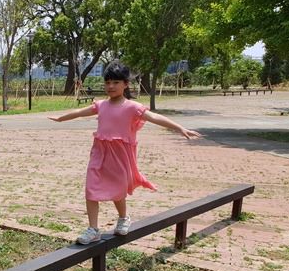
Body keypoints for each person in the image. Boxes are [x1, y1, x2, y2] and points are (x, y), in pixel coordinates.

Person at [49, 61, 201, 244]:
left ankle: (123, 218)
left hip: (120, 155)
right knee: (91, 188)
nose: (111, 86)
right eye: (108, 82)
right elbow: (80, 112)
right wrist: (60, 118)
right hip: (99, 152)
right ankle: (93, 229)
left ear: (125, 84)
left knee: (118, 190)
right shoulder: (101, 105)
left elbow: (154, 117)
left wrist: (180, 128)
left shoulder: (132, 107)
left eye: (116, 82)